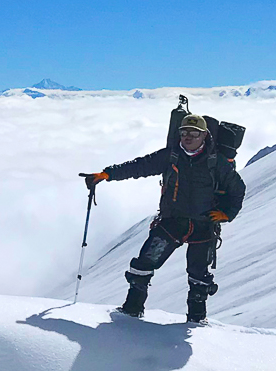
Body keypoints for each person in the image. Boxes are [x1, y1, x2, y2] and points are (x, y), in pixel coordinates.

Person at [82, 108, 245, 323]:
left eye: (194, 133)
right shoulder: (171, 155)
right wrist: (108, 174)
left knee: (198, 279)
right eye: (185, 132)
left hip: (204, 225)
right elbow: (140, 165)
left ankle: (197, 322)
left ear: (204, 136)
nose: (188, 137)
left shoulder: (217, 163)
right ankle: (132, 311)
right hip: (172, 222)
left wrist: (226, 214)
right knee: (142, 266)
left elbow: (237, 189)